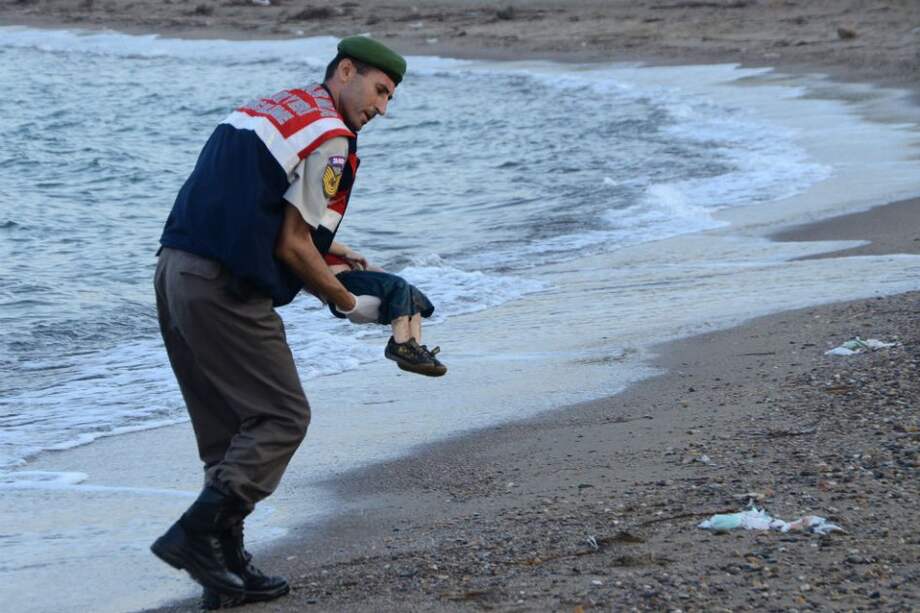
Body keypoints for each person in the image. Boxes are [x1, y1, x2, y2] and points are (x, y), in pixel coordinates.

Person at [150, 36, 415, 608]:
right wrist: (347, 304)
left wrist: (335, 250)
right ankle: (196, 536)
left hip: (174, 272)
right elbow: (294, 246)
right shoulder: (334, 139)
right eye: (379, 90)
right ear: (346, 70)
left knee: (226, 435)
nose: (381, 109)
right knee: (281, 416)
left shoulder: (277, 106)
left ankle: (223, 575)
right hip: (223, 287)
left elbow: (253, 201)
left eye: (390, 98)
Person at [324, 250, 447, 377]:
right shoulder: (319, 240)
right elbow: (317, 242)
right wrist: (346, 250)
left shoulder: (334, 247)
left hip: (356, 275)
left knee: (409, 291)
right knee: (399, 284)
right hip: (341, 280)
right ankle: (399, 347)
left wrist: (388, 279)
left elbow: (367, 266)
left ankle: (414, 349)